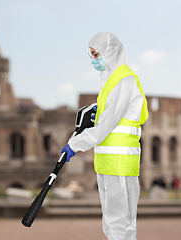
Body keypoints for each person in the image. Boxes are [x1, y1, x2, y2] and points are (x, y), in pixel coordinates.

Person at [61, 32, 148, 240]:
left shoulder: (124, 79)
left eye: (96, 54)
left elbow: (105, 126)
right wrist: (96, 109)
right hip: (108, 162)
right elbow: (108, 115)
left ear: (110, 52)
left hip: (120, 162)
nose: (94, 60)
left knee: (120, 223)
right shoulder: (111, 82)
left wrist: (75, 144)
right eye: (91, 55)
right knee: (112, 222)